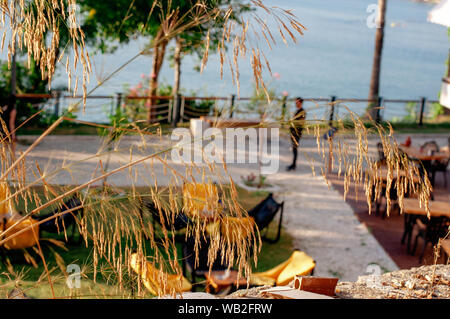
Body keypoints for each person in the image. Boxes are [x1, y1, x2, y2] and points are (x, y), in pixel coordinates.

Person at [286, 97, 306, 171]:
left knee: (295, 148)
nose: (296, 104)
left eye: (297, 102)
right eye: (295, 102)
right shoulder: (298, 111)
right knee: (294, 148)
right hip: (293, 132)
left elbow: (300, 123)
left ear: (300, 103)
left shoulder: (302, 112)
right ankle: (293, 164)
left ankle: (293, 165)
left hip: (297, 133)